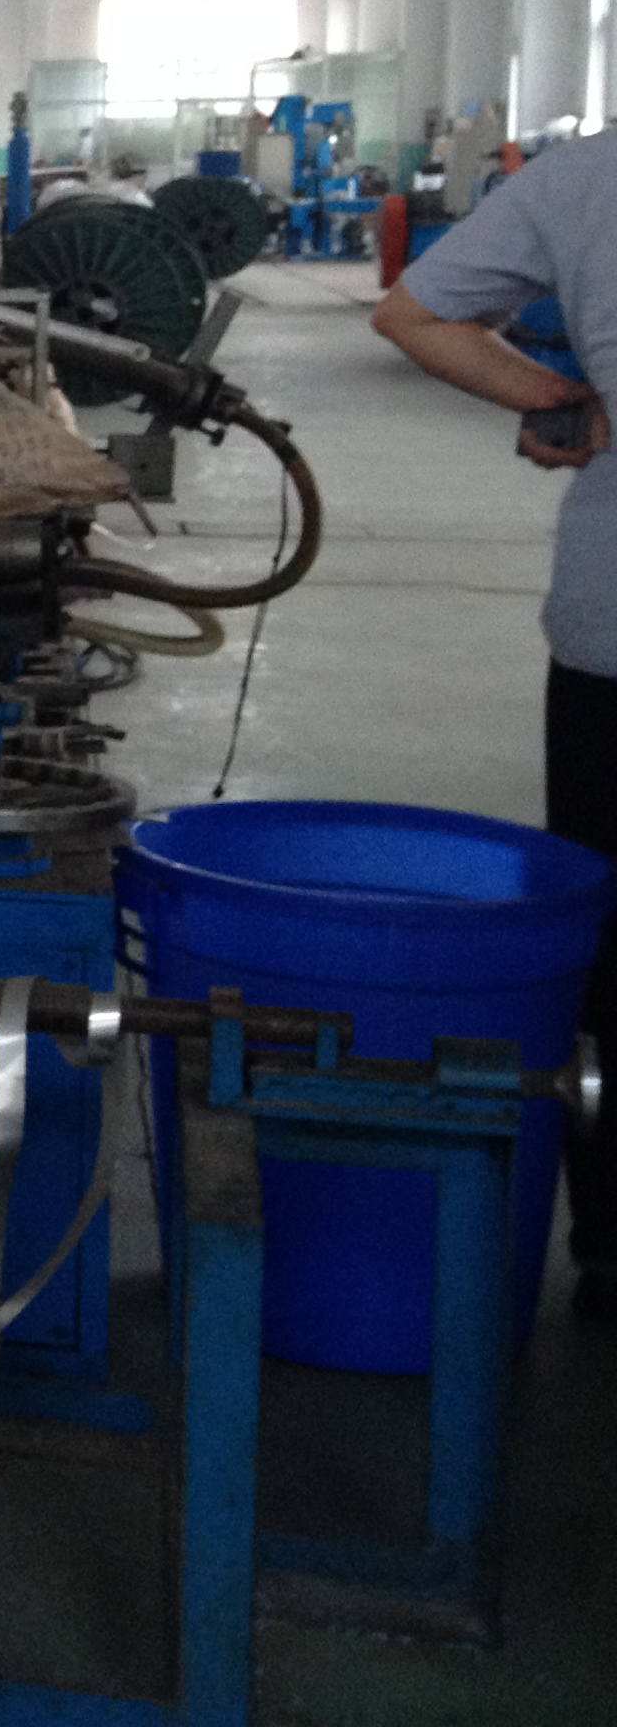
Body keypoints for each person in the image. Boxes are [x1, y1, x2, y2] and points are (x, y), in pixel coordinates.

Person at [373, 129, 617, 1321]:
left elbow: (415, 315)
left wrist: (561, 399)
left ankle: (611, 1241)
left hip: (611, 630)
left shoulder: (585, 178)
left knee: (608, 939)